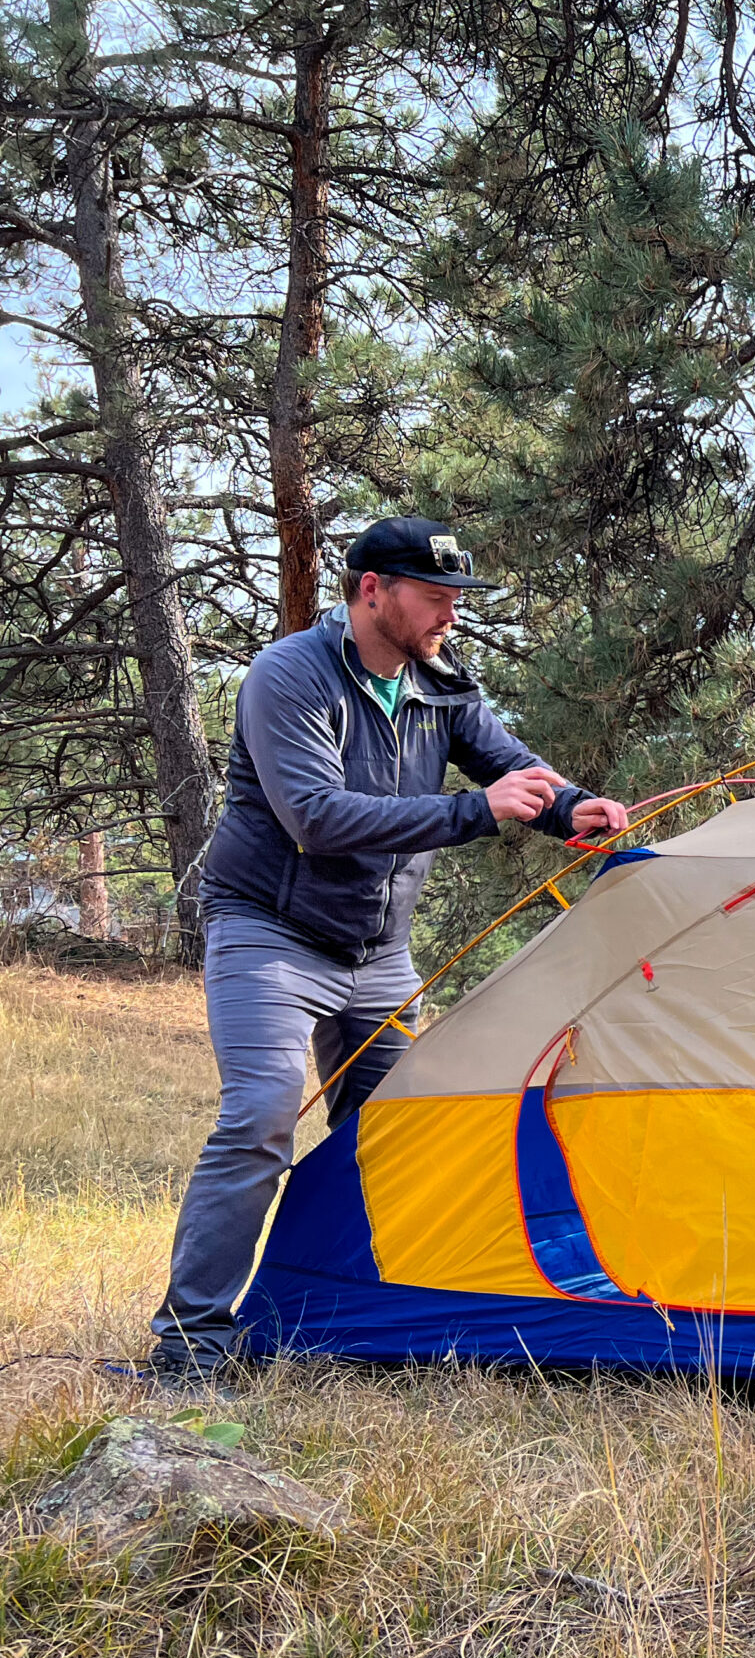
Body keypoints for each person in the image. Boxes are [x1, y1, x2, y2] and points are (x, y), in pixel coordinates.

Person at [148, 518, 628, 1382]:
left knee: (393, 1132)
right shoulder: (288, 676)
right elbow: (316, 819)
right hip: (270, 933)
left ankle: (354, 1318)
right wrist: (473, 814)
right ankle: (190, 1345)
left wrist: (574, 807)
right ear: (372, 589)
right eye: (435, 597)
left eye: (455, 599)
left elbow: (507, 763)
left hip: (378, 953)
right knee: (260, 1119)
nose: (450, 614)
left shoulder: (439, 682)